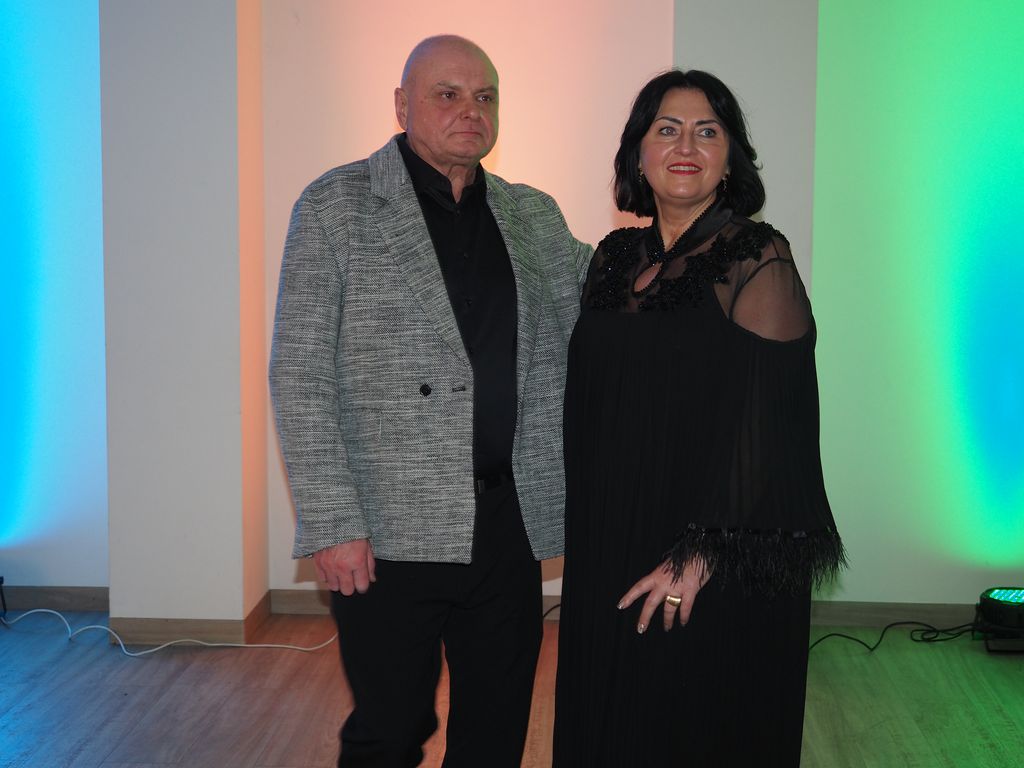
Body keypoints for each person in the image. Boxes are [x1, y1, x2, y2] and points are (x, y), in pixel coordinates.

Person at [269, 35, 590, 768]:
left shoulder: (533, 215)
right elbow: (300, 373)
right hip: (386, 533)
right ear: (402, 104)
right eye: (448, 94)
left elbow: (609, 292)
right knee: (389, 730)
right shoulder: (337, 205)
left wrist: (702, 245)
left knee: (496, 729)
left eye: (485, 96)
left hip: (507, 524)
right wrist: (333, 522)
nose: (470, 110)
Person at [552, 69, 845, 766]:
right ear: (639, 154)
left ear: (730, 158)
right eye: (667, 130)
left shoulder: (756, 256)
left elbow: (775, 422)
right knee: (613, 723)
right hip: (613, 535)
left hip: (716, 548)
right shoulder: (613, 258)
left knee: (697, 727)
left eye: (707, 132)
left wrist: (703, 553)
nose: (686, 147)